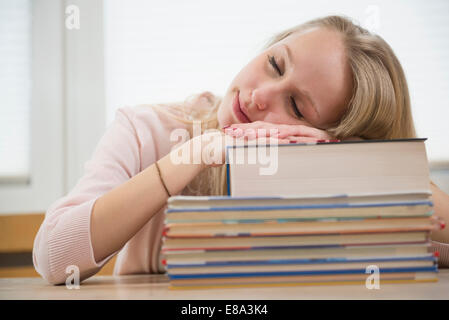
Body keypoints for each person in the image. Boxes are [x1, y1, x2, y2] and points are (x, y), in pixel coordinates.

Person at [33, 15, 449, 285]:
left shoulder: (335, 184)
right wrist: (188, 158)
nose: (260, 96)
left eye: (298, 106)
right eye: (275, 64)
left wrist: (353, 164)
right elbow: (54, 258)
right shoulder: (148, 130)